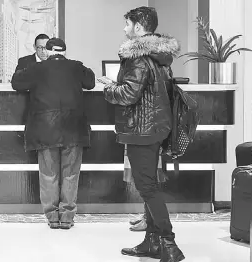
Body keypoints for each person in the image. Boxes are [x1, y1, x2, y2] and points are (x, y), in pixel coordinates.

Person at [98, 6, 184, 262]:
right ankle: (152, 242)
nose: (125, 29)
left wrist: (110, 88)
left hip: (140, 130)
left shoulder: (136, 57)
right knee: (149, 185)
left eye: (127, 24)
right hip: (155, 129)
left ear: (137, 27)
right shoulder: (159, 56)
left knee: (147, 188)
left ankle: (169, 244)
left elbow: (128, 95)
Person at [10, 38, 95, 230]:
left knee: (49, 174)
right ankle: (67, 217)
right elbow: (90, 81)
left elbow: (16, 83)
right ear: (64, 52)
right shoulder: (76, 67)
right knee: (71, 173)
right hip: (74, 128)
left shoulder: (36, 68)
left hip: (45, 129)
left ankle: (52, 217)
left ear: (48, 51)